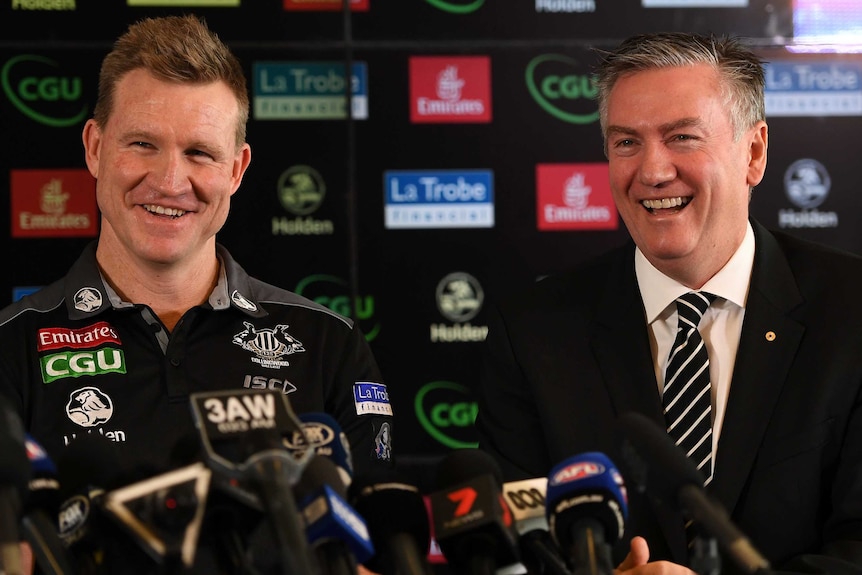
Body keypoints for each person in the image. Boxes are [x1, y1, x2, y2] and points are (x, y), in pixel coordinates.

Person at [0, 14, 393, 573]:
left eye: (200, 154)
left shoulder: (329, 346)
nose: (168, 181)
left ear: (237, 168)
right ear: (94, 147)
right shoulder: (9, 349)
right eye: (142, 143)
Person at [475, 32, 862, 575]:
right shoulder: (534, 333)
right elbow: (509, 554)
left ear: (753, 153)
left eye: (682, 137)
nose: (652, 172)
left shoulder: (851, 311)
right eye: (626, 142)